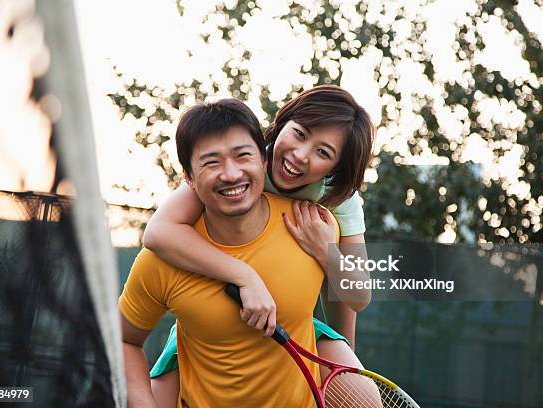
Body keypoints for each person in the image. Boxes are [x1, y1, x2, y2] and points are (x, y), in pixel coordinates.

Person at [143, 86, 374, 406]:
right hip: (209, 324)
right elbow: (157, 232)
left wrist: (325, 250)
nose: (300, 154)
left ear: (336, 169)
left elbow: (358, 296)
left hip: (291, 323)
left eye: (324, 152)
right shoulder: (240, 163)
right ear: (282, 125)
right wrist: (243, 276)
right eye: (300, 133)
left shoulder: (339, 200)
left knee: (363, 398)